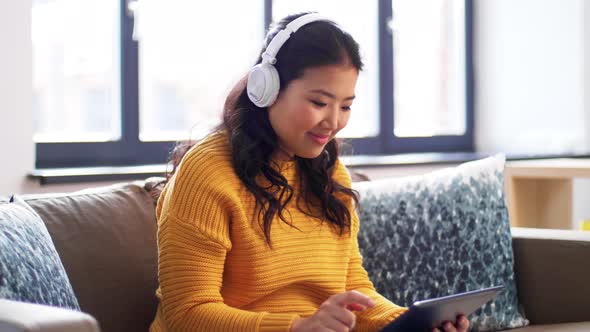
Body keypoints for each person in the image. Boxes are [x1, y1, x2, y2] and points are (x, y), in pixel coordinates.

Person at [149, 12, 470, 332]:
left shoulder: (331, 174)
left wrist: (410, 323)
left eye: (345, 106)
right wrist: (295, 327)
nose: (333, 122)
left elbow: (353, 291)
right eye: (319, 102)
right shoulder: (207, 172)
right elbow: (187, 314)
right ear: (267, 88)